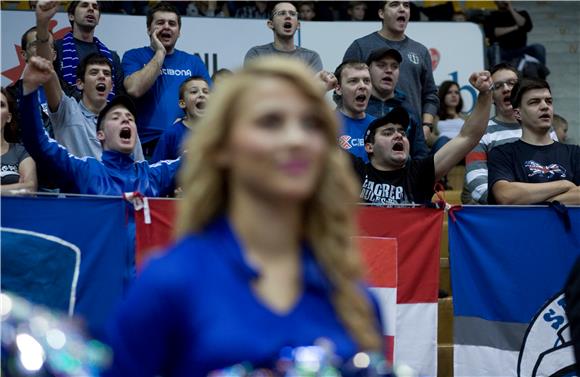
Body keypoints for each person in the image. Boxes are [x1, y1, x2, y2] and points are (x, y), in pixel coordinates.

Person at [104, 57, 384, 376]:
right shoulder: (167, 285)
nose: (297, 139)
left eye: (311, 124)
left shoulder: (357, 301)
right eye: (270, 121)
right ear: (224, 147)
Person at [19, 56, 180, 197]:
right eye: (116, 117)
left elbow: (196, 162)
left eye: (130, 118)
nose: (125, 121)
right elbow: (37, 141)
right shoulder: (85, 172)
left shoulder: (150, 176)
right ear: (100, 134)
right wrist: (29, 92)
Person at [351, 71, 492, 206]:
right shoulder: (355, 172)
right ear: (369, 146)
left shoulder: (419, 174)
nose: (399, 135)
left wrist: (485, 93)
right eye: (388, 133)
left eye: (402, 132)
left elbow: (467, 137)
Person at [35, 1, 144, 160]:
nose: (101, 76)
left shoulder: (123, 121)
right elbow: (46, 70)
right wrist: (42, 24)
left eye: (107, 74)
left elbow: (140, 169)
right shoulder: (67, 111)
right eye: (85, 5)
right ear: (80, 83)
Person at [122, 2, 211, 158]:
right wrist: (160, 53)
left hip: (184, 148)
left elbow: (212, 103)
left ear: (179, 32)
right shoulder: (133, 56)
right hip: (144, 150)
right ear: (149, 29)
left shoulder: (193, 62)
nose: (167, 27)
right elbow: (134, 89)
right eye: (160, 23)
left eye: (172, 23)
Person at [462, 63, 558, 204]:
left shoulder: (546, 129)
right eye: (498, 86)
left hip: (543, 212)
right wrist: (511, 201)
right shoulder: (481, 131)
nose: (506, 89)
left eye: (511, 83)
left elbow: (557, 174)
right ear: (492, 96)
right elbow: (478, 185)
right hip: (500, 214)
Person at [343, 0, 439, 134]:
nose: (402, 9)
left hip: (410, 133)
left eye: (406, 5)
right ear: (381, 13)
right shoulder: (360, 47)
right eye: (394, 5)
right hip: (367, 132)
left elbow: (430, 95)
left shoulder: (420, 51)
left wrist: (427, 125)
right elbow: (344, 90)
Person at [488, 78, 580, 205]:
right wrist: (564, 185)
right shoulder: (502, 154)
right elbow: (506, 195)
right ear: (518, 114)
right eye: (534, 102)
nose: (544, 106)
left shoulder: (575, 153)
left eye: (549, 101)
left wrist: (535, 201)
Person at [51, 0, 125, 100]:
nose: (91, 9)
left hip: (103, 113)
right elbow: (50, 83)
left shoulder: (112, 57)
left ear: (98, 19)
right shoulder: (56, 48)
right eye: (84, 5)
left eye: (95, 7)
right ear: (71, 16)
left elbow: (119, 96)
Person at [365, 47, 428, 159]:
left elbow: (420, 155)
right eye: (381, 65)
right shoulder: (358, 106)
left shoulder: (409, 111)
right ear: (368, 71)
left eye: (394, 66)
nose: (389, 70)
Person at [244, 2, 323, 73]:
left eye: (292, 14)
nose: (288, 16)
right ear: (270, 24)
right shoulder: (256, 54)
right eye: (281, 13)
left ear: (298, 25)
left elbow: (313, 88)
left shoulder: (311, 57)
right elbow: (252, 87)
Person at [151, 76, 209, 162]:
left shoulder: (219, 131)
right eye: (194, 91)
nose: (201, 94)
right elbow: (157, 171)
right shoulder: (171, 134)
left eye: (206, 92)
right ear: (182, 103)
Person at [484, 1, 547, 72]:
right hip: (502, 51)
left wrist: (510, 8)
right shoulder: (491, 16)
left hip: (521, 50)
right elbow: (494, 32)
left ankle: (541, 77)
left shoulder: (522, 13)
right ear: (495, 2)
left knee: (538, 48)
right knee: (491, 50)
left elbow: (524, 24)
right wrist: (515, 27)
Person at [333, 60, 375, 162]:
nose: (362, 86)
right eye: (353, 81)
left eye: (366, 81)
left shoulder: (378, 125)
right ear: (338, 89)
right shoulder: (327, 124)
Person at [0, 87, 37, 193]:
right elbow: (22, 189)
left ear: (8, 117)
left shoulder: (20, 152)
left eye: (1, 105)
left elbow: (30, 189)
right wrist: (15, 187)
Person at [429, 81, 465, 153]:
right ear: (443, 95)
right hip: (442, 150)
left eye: (456, 92)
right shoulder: (433, 117)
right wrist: (449, 142)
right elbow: (428, 138)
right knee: (443, 139)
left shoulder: (466, 118)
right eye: (449, 92)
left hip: (462, 149)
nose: (454, 95)